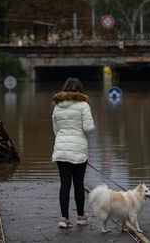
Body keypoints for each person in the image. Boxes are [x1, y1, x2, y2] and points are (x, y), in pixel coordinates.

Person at [52, 77, 95, 228]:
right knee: (78, 184)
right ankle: (81, 217)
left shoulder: (57, 106)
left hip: (61, 148)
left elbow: (56, 130)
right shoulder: (83, 105)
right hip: (78, 148)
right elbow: (89, 128)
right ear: (80, 90)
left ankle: (64, 219)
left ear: (65, 89)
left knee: (64, 184)